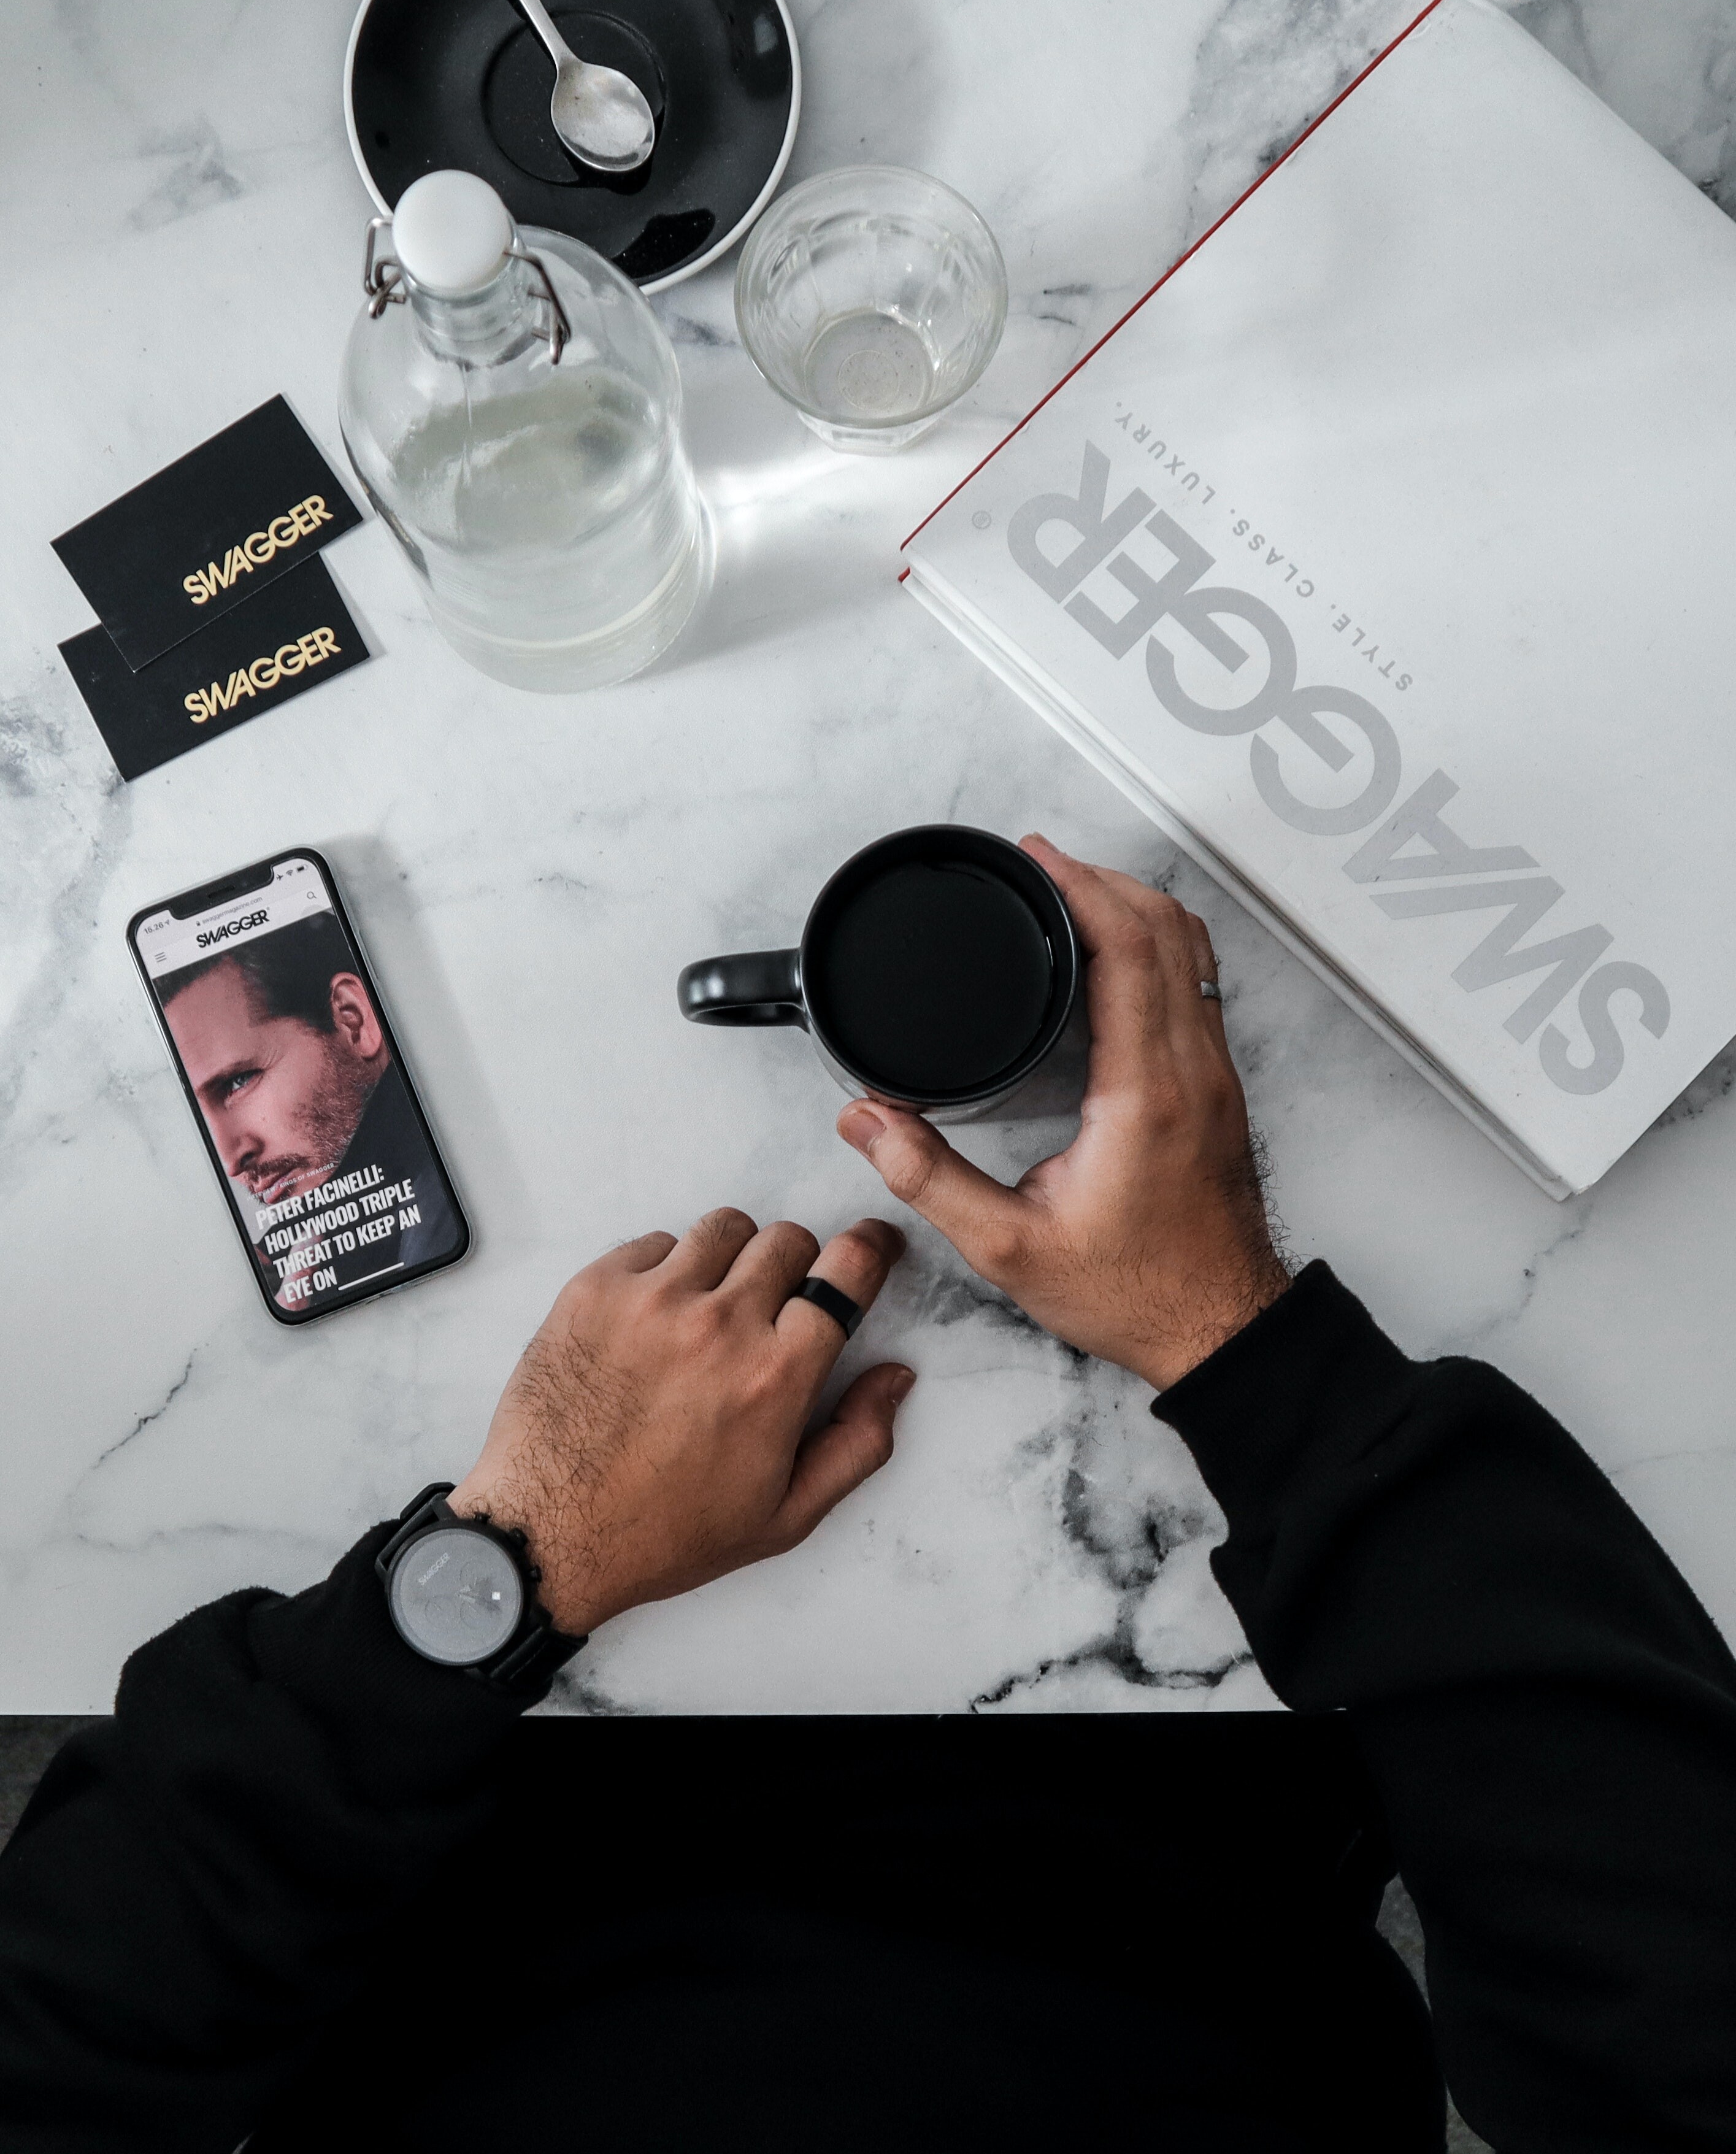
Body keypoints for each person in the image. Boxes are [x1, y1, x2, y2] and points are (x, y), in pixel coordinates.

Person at [3, 836, 1734, 2152]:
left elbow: (62, 2020)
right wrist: (1242, 1343)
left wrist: (505, 1565)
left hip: (459, 1810)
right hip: (1204, 1791)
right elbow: (1674, 1987)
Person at [158, 910, 462, 1299]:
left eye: (239, 1082)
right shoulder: (293, 1257)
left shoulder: (433, 1223)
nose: (231, 1161)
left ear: (353, 1022)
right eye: (200, 1113)